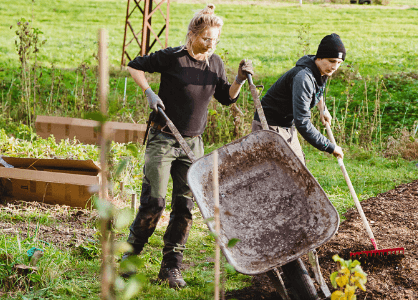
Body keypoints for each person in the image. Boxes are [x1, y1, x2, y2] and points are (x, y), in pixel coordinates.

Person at [122, 4, 253, 289]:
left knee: (185, 206)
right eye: (206, 38)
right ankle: (129, 259)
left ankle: (171, 267)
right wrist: (149, 93)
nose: (210, 44)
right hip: (163, 138)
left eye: (215, 40)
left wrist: (239, 81)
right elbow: (134, 65)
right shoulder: (172, 57)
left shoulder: (215, 63)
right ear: (193, 34)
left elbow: (226, 98)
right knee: (154, 202)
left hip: (193, 144)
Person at [252, 33, 345, 163]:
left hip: (286, 124)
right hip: (269, 125)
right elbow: (302, 122)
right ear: (320, 57)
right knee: (286, 172)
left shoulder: (321, 71)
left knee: (299, 166)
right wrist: (330, 147)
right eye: (332, 61)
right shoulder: (303, 78)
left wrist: (323, 109)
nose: (335, 67)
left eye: (339, 62)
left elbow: (317, 89)